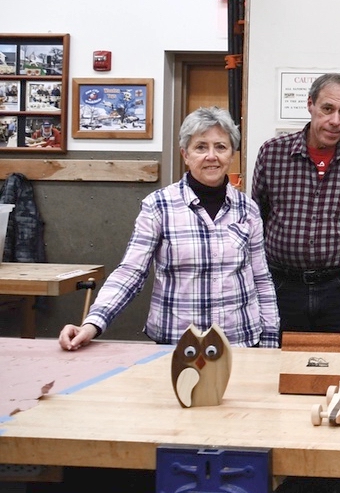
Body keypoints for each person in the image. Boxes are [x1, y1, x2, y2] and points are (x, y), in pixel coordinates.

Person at [245, 73, 340, 493]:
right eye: (328, 109)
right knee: (281, 396)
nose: (336, 120)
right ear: (309, 106)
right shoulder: (273, 153)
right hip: (282, 290)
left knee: (339, 397)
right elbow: (253, 218)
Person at [59, 107, 279, 351]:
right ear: (185, 154)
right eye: (201, 147)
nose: (211, 155)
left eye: (221, 147)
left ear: (231, 154)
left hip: (239, 343)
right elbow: (131, 272)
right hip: (176, 344)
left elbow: (261, 278)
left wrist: (270, 339)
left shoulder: (247, 209)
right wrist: (92, 324)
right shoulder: (159, 206)